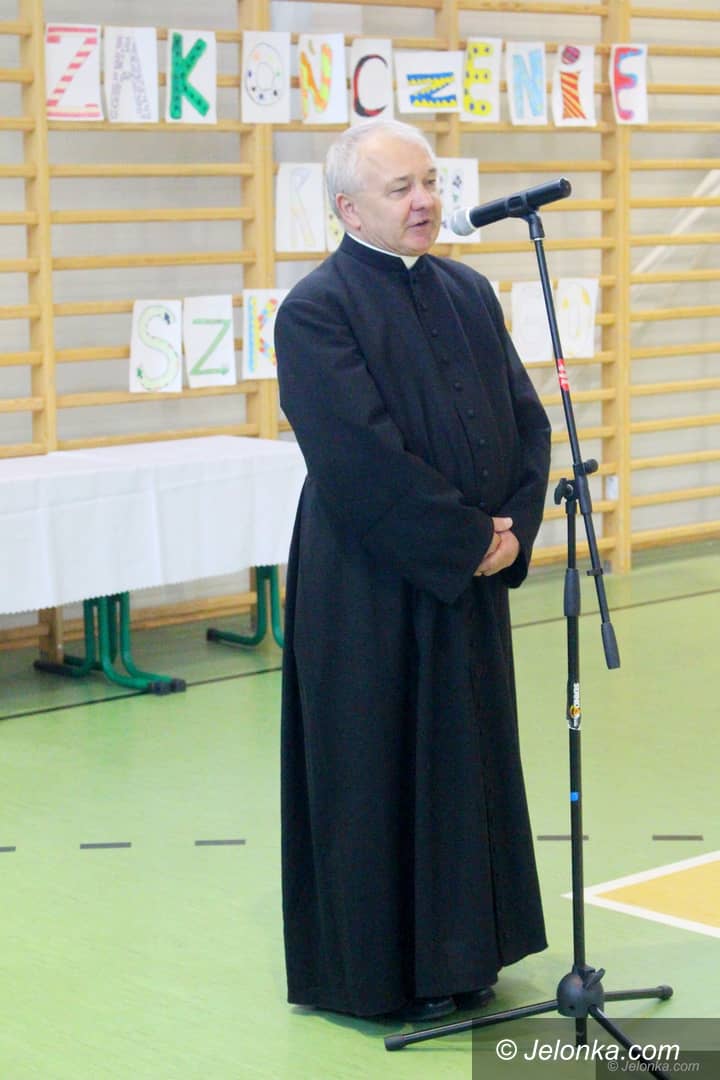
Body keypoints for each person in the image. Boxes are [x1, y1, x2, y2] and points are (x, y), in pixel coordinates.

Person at [274, 119, 551, 1023]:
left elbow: (527, 419)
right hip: (370, 584)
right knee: (379, 769)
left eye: (429, 181)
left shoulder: (469, 291)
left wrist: (512, 530)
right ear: (350, 209)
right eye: (401, 189)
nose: (426, 200)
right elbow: (358, 457)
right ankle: (386, 974)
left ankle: (469, 954)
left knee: (466, 764)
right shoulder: (316, 310)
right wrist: (465, 540)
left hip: (471, 573)